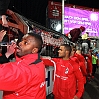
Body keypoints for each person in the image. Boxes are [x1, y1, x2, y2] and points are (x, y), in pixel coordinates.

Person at [0, 32, 46, 99]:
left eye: (26, 43)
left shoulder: (23, 70)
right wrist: (9, 53)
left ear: (34, 50)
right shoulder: (37, 61)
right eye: (22, 40)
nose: (20, 43)